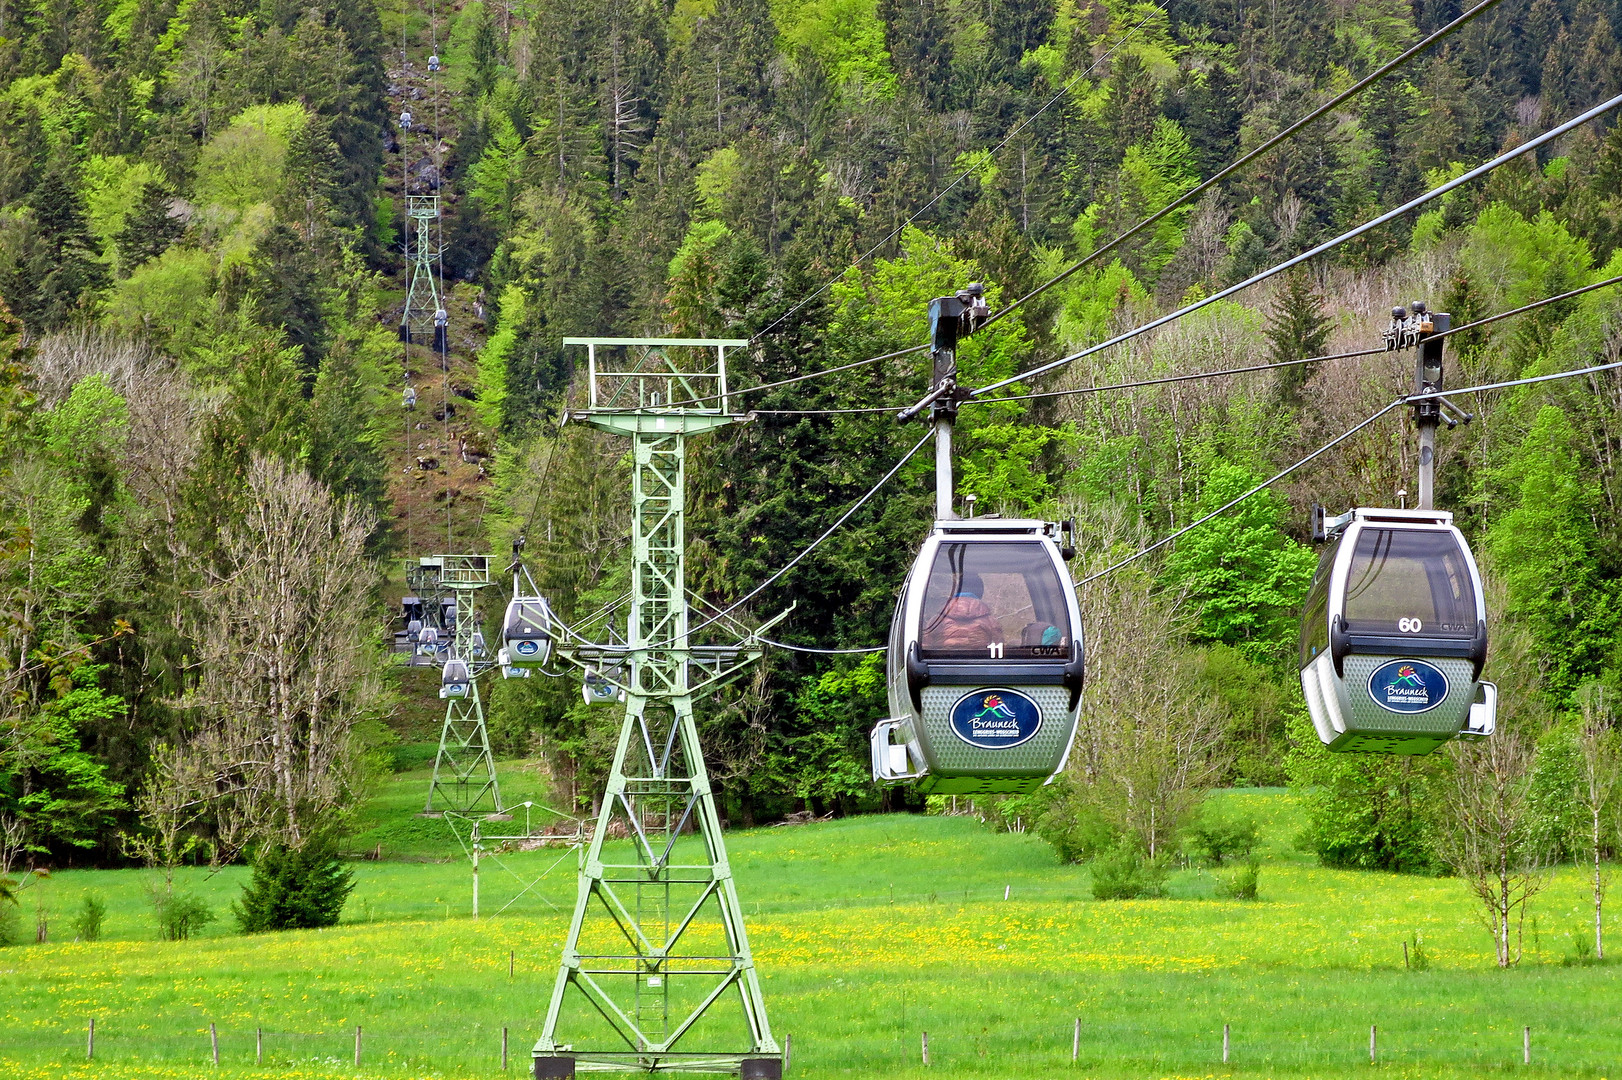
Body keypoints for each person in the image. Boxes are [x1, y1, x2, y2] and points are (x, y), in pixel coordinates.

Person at [922, 572, 1003, 652]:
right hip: (978, 663)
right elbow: (1000, 648)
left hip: (944, 662)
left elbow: (925, 647)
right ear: (980, 592)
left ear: (956, 589)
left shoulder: (937, 620)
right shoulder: (989, 621)